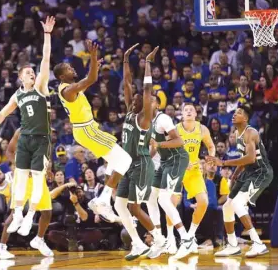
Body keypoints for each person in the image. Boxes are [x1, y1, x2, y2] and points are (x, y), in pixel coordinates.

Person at [0, 16, 56, 237]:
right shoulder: (18, 94)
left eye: (33, 71)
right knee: (20, 177)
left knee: (38, 178)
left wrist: (47, 35)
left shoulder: (40, 86)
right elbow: (1, 114)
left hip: (41, 138)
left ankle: (30, 215)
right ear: (21, 78)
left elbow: (46, 61)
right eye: (28, 72)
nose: (32, 73)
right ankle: (19, 213)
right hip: (25, 138)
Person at [53, 40, 133, 223]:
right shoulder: (67, 90)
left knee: (116, 160)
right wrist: (93, 56)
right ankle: (103, 200)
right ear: (61, 76)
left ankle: (103, 200)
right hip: (85, 129)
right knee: (125, 160)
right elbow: (90, 80)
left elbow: (90, 78)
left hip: (88, 128)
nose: (71, 68)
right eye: (67, 68)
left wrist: (94, 67)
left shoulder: (69, 88)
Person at [115, 43, 167, 260]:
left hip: (141, 164)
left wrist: (147, 63)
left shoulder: (144, 118)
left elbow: (146, 89)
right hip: (128, 165)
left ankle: (159, 238)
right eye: (133, 97)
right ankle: (137, 243)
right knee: (119, 204)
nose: (134, 97)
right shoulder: (129, 111)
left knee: (135, 207)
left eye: (138, 98)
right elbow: (127, 84)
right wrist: (126, 60)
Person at [207, 105, 273, 257]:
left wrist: (223, 163)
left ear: (245, 118)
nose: (234, 114)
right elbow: (244, 160)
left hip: (260, 173)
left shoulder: (251, 132)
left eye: (238, 113)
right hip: (248, 172)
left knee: (237, 203)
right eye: (234, 112)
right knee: (227, 207)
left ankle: (258, 244)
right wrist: (235, 174)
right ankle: (232, 245)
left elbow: (250, 158)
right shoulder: (237, 134)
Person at [0, 128, 54, 259]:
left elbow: (46, 155)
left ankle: (39, 239)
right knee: (15, 213)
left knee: (47, 212)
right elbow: (9, 151)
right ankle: (1, 248)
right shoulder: (20, 131)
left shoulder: (46, 131)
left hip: (38, 175)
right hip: (23, 178)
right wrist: (20, 165)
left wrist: (49, 169)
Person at [170, 103, 216, 259]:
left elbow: (211, 146)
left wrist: (210, 158)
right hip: (178, 169)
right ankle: (170, 238)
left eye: (191, 110)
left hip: (195, 170)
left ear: (196, 114)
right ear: (181, 114)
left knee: (203, 202)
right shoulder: (175, 130)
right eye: (186, 110)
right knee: (172, 204)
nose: (189, 111)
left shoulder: (202, 129)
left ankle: (190, 236)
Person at [146, 94, 188, 258]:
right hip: (165, 161)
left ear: (157, 105)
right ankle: (159, 239)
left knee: (164, 200)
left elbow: (179, 141)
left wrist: (159, 144)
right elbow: (155, 148)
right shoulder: (148, 123)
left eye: (150, 100)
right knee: (150, 197)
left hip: (177, 159)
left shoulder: (163, 118)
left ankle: (185, 238)